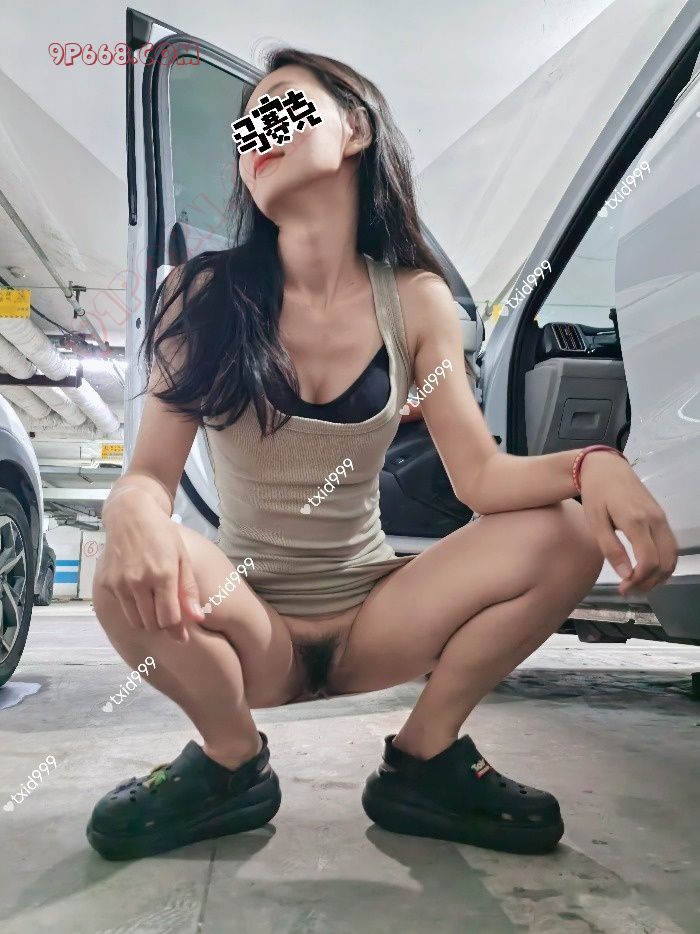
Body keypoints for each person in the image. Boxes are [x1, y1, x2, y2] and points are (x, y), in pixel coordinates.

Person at [87, 47, 678, 861]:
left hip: (376, 621)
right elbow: (150, 477)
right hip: (249, 626)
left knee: (567, 533)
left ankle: (424, 759)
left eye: (281, 106)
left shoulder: (416, 302)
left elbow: (481, 478)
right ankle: (230, 760)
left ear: (355, 129)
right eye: (244, 127)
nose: (256, 134)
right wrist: (129, 511)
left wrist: (593, 464)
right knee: (119, 565)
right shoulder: (203, 294)